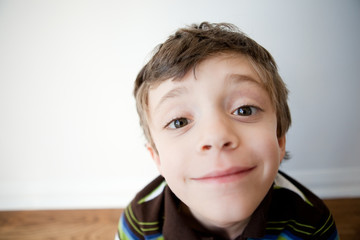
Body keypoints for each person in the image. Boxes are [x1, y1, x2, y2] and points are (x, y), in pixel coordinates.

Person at [116, 22, 339, 240]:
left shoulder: (311, 224)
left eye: (244, 110)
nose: (216, 136)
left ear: (280, 139)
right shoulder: (140, 223)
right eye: (179, 122)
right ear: (157, 158)